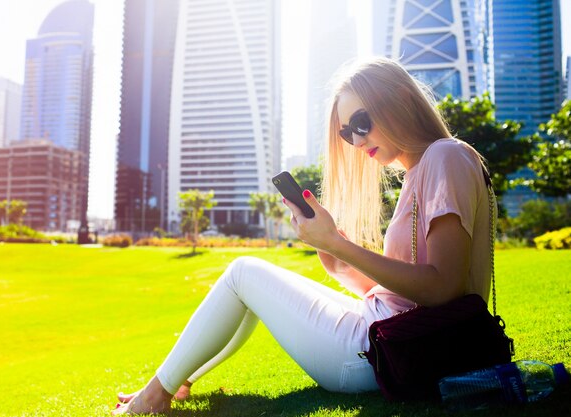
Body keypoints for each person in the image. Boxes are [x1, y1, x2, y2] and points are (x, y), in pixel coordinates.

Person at [111, 57, 495, 415]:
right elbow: (407, 296)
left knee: (244, 273)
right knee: (249, 284)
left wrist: (339, 244)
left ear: (400, 99)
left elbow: (443, 289)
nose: (357, 141)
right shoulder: (423, 169)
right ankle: (177, 379)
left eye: (361, 123)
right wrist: (337, 260)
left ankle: (155, 395)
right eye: (348, 133)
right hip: (389, 340)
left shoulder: (445, 157)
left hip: (381, 353)